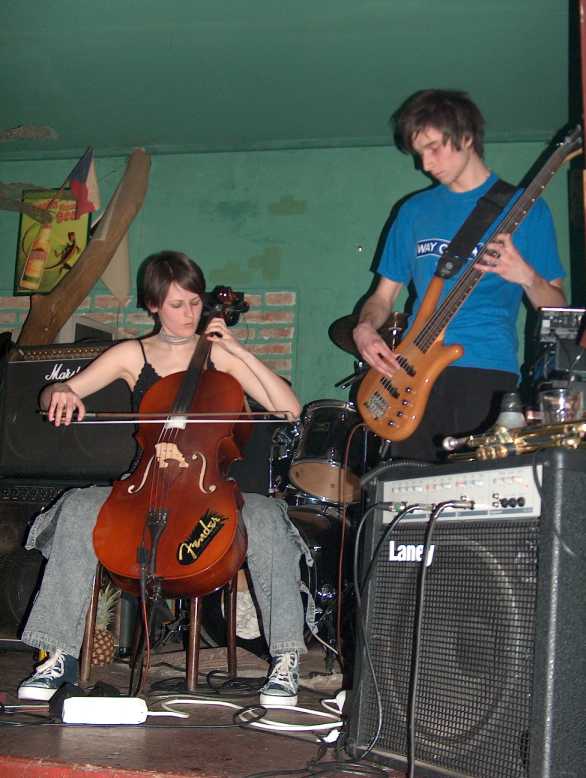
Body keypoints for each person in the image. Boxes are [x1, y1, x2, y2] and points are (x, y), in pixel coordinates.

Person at [17, 250, 308, 706]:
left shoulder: (220, 357)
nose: (189, 314)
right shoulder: (131, 354)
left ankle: (286, 658)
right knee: (77, 507)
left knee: (269, 519)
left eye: (194, 303)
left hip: (208, 491)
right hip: (145, 483)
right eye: (177, 305)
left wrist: (237, 351)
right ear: (153, 305)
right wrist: (61, 393)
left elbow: (289, 409)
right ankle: (58, 654)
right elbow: (62, 389)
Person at [353, 89, 567, 462]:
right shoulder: (413, 211)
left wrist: (526, 276)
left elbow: (558, 311)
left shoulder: (527, 210)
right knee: (405, 486)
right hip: (410, 372)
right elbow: (382, 297)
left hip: (484, 370)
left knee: (472, 489)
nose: (426, 163)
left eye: (434, 148)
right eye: (419, 153)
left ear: (466, 137)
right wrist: (365, 327)